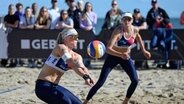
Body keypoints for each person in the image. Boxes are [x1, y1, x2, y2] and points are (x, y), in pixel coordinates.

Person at [83, 12, 151, 104]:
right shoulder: (118, 31)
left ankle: (126, 101)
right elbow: (108, 49)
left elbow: (138, 37)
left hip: (125, 57)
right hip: (113, 56)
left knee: (135, 80)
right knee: (100, 82)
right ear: (122, 20)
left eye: (129, 19)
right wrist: (121, 54)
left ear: (132, 20)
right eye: (124, 19)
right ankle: (85, 101)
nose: (127, 21)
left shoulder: (135, 30)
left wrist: (144, 50)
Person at [35, 28, 95, 104]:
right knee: (66, 102)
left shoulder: (77, 56)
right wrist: (85, 76)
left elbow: (81, 68)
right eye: (74, 37)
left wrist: (89, 77)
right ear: (66, 38)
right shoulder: (60, 47)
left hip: (54, 86)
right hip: (43, 86)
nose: (77, 39)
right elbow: (70, 62)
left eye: (77, 37)